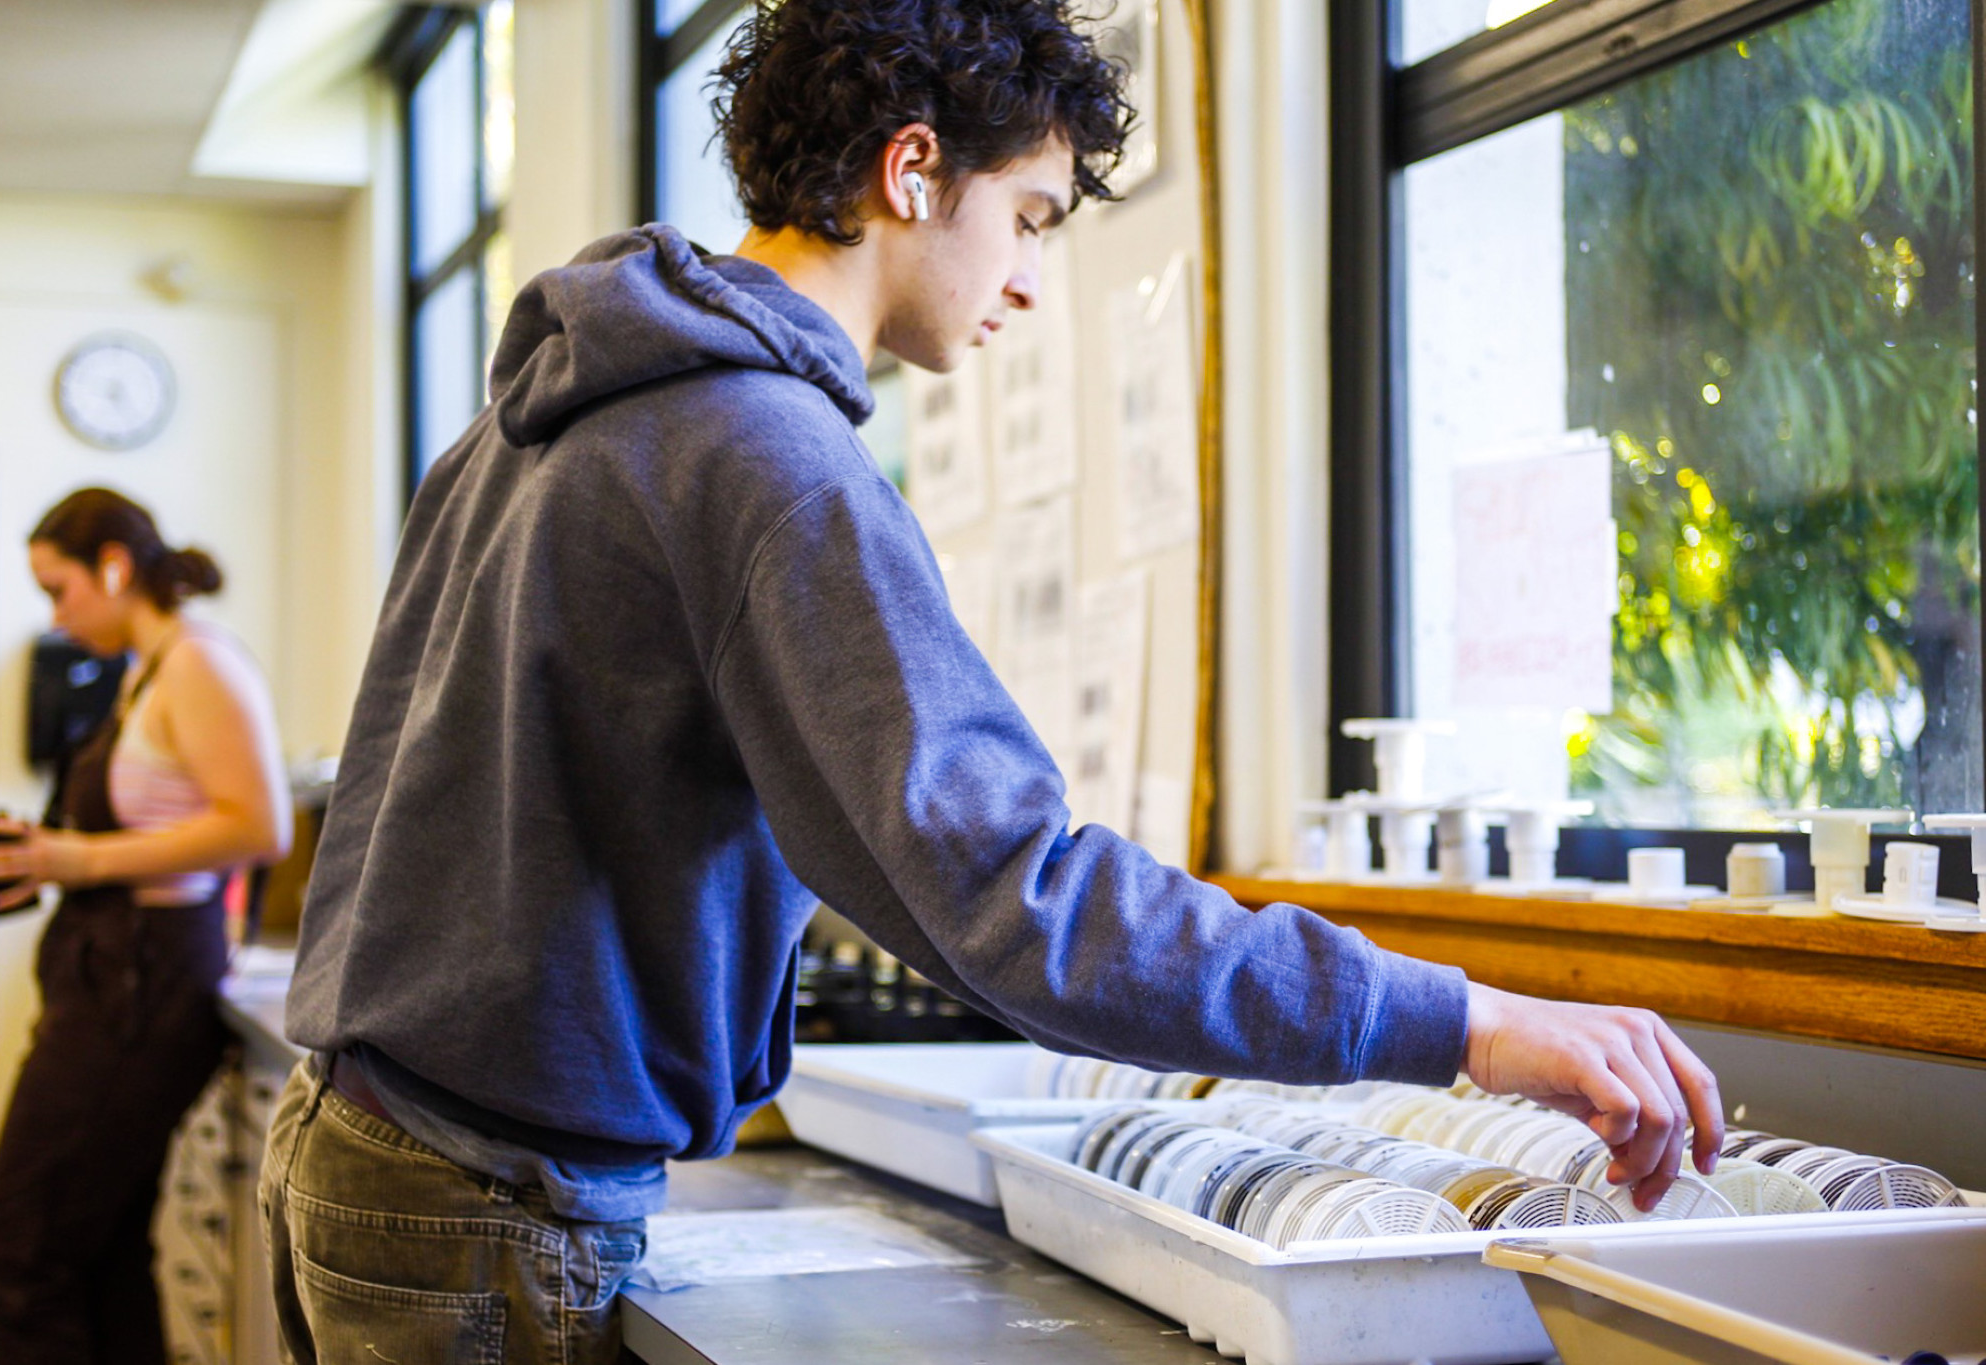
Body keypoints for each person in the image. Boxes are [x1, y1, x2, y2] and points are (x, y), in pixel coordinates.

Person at [267, 2, 1723, 1359]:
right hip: (491, 1199)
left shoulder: (560, 399)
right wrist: (1467, 1024)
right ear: (912, 172)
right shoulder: (772, 463)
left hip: (358, 1131)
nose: (1028, 275)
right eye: (1026, 216)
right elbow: (1020, 898)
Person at [0, 487, 291, 1365]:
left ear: (114, 565)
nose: (56, 616)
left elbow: (262, 825)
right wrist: (48, 847)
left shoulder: (198, 663)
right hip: (117, 978)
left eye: (57, 589)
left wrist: (77, 860)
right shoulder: (148, 670)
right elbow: (163, 819)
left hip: (142, 987)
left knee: (19, 1252)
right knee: (101, 1251)